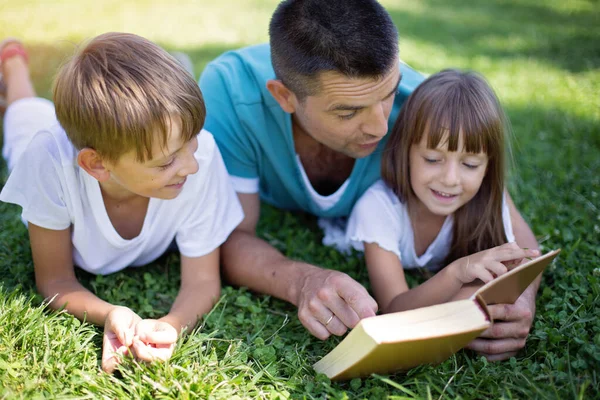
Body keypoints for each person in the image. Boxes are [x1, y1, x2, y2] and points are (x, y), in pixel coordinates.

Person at [199, 0, 539, 360]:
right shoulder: (231, 93)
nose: (381, 127)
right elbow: (232, 236)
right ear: (284, 96)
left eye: (387, 94)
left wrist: (522, 298)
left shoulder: (423, 105)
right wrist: (301, 280)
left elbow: (515, 229)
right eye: (348, 111)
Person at [0, 34, 243, 373]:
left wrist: (171, 325)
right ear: (97, 165)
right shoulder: (48, 160)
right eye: (166, 162)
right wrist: (109, 312)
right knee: (21, 114)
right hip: (39, 137)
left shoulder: (199, 151)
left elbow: (202, 282)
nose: (192, 165)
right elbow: (54, 281)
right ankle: (14, 67)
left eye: (192, 140)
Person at [346, 69, 541, 360]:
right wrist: (456, 274)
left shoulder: (487, 195)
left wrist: (524, 300)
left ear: (488, 167)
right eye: (433, 159)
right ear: (405, 150)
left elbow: (528, 251)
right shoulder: (378, 208)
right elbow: (395, 309)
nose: (450, 179)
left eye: (471, 164)